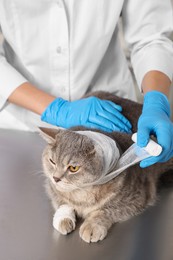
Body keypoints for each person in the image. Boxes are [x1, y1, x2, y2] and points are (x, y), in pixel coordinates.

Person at [0, 0, 173, 168]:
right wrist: (55, 109)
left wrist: (156, 101)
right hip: (23, 125)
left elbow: (151, 38)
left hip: (112, 121)